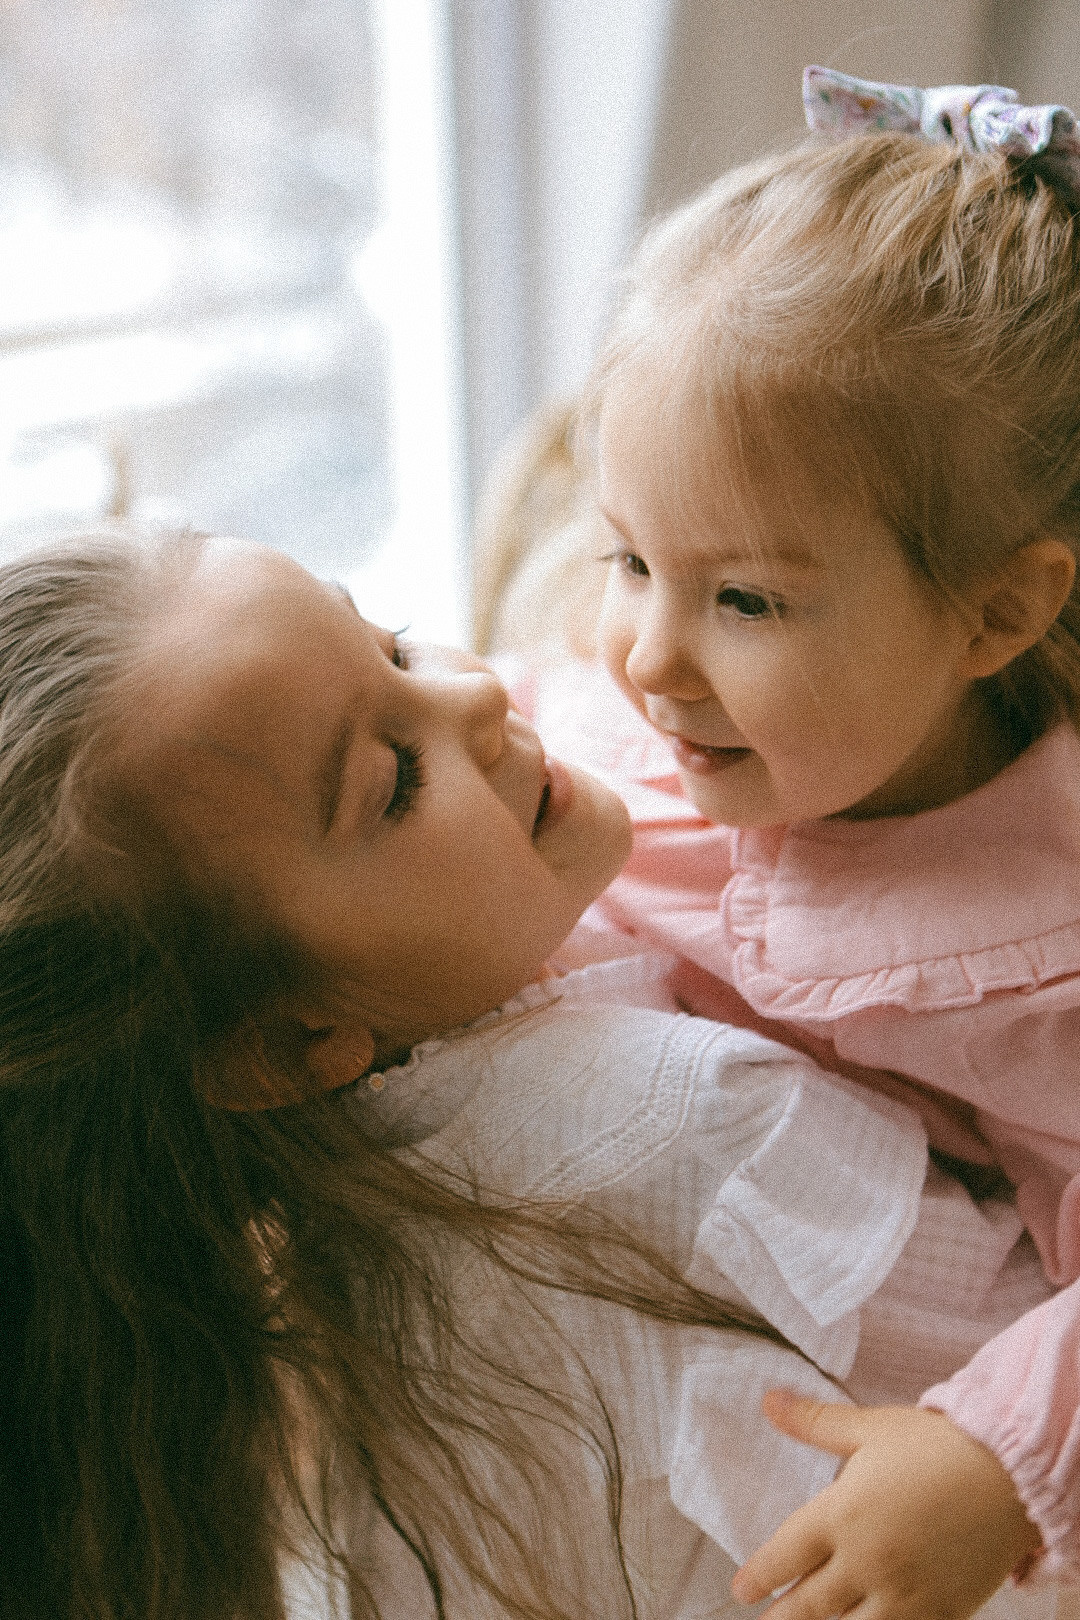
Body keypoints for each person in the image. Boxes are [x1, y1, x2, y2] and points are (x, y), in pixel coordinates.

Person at [0, 524, 1050, 1620]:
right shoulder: (673, 1133)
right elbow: (1032, 1396)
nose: (477, 698)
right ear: (294, 1042)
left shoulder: (338, 1217)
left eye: (397, 650)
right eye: (394, 780)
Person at [517, 65, 1080, 1620]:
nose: (650, 653)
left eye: (745, 599)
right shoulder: (615, 724)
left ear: (996, 612)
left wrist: (998, 1455)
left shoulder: (1045, 928)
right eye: (630, 556)